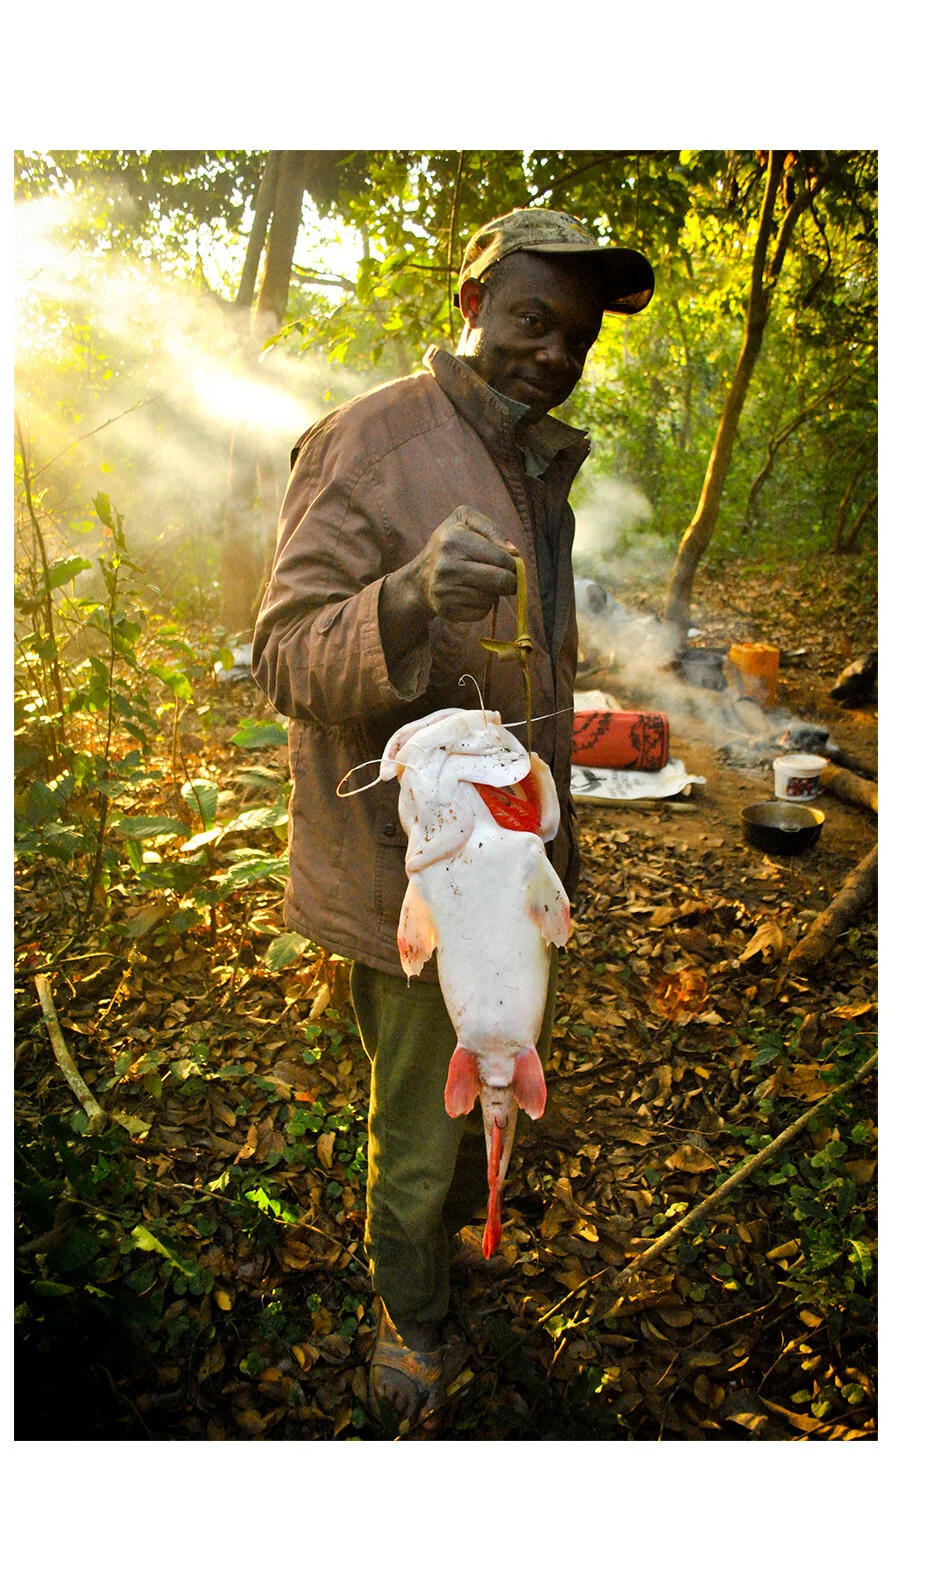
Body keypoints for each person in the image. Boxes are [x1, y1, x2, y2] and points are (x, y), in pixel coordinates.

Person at [251, 207, 654, 1430]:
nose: (554, 352)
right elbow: (281, 655)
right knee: (420, 1137)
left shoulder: (531, 459)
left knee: (495, 1077)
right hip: (409, 881)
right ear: (471, 301)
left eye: (576, 338)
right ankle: (410, 1319)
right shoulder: (370, 443)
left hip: (510, 874)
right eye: (533, 319)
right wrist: (408, 599)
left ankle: (457, 1259)